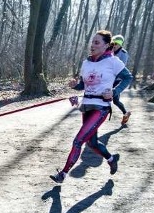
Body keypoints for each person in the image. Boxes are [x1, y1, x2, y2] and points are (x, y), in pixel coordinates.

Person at [51, 30, 133, 184]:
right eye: (92, 42)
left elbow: (128, 77)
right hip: (87, 106)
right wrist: (76, 86)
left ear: (106, 45)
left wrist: (115, 92)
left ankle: (63, 174)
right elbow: (83, 84)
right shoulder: (86, 62)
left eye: (97, 42)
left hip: (101, 107)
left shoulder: (113, 61)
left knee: (78, 141)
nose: (92, 45)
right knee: (92, 142)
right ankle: (111, 159)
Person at [110, 35, 132, 125]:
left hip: (118, 80)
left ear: (120, 45)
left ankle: (126, 113)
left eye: (117, 44)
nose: (115, 45)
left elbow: (121, 67)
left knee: (115, 100)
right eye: (114, 43)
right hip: (109, 79)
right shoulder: (109, 50)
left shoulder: (123, 53)